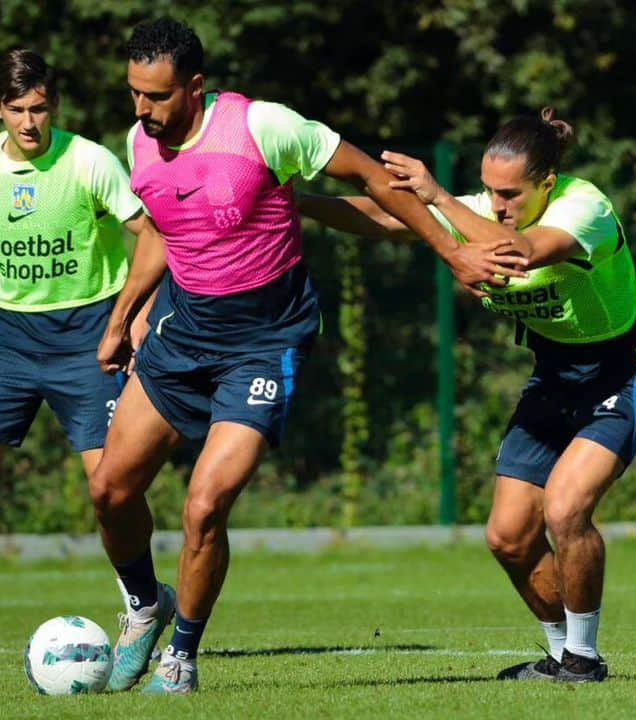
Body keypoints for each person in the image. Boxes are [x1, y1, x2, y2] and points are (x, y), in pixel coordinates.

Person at [87, 17, 527, 695]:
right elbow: (164, 237)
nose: (141, 110)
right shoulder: (138, 144)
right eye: (134, 94)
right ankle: (146, 606)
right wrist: (122, 318)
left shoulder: (265, 126)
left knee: (205, 505)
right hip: (185, 331)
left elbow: (378, 180)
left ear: (196, 87)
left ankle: (181, 658)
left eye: (157, 96)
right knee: (110, 491)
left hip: (264, 344)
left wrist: (453, 252)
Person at [298, 108, 636, 682]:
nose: (497, 204)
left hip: (626, 368)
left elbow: (518, 251)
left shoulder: (584, 207)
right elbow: (381, 217)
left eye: (510, 194)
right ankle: (560, 656)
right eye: (490, 191)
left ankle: (584, 660)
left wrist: (441, 199)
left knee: (567, 506)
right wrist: (290, 203)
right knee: (508, 536)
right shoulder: (476, 209)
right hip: (555, 374)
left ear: (547, 183)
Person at [0, 49, 162, 667]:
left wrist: (138, 314)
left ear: (54, 105)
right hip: (8, 340)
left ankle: (142, 606)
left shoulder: (91, 161)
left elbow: (149, 232)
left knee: (110, 489)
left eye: (39, 108)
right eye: (16, 109)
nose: (29, 122)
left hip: (89, 339)